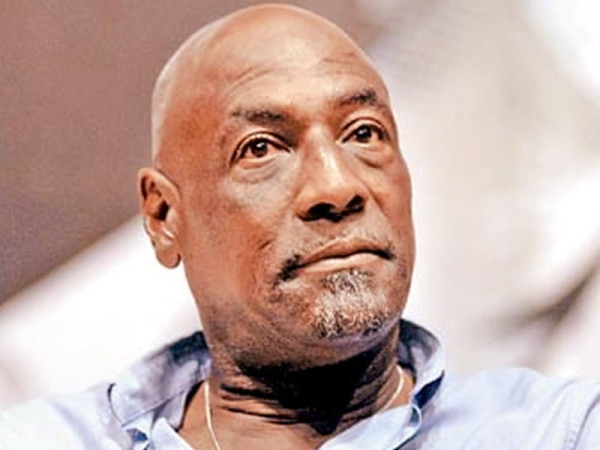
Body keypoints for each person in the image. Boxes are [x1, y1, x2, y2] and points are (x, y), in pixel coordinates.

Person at [1, 4, 599, 449]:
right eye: (261, 148)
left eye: (364, 133)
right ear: (163, 217)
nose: (337, 188)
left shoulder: (558, 432)